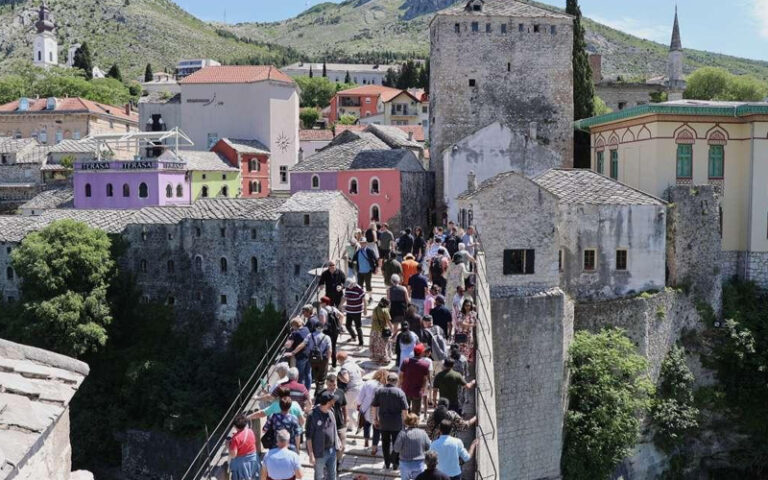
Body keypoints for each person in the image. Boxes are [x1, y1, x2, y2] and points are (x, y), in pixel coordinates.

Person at [372, 372, 409, 470]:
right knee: (397, 443)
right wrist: (406, 421)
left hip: (383, 422)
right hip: (396, 422)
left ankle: (387, 463)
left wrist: (375, 419)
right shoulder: (400, 392)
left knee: (385, 443)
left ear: (387, 380)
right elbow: (405, 410)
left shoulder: (379, 391)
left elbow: (375, 406)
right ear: (396, 381)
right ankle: (395, 464)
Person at [306, 391, 339, 480]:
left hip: (332, 451)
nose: (334, 403)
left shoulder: (331, 411)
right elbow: (308, 437)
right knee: (319, 477)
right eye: (332, 401)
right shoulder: (312, 415)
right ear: (328, 403)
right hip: (319, 453)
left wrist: (337, 444)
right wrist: (311, 454)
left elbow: (334, 429)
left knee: (332, 476)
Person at [315, 373, 347, 461]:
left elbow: (344, 407)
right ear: (326, 384)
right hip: (326, 425)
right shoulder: (321, 394)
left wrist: (345, 420)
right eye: (330, 385)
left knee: (342, 446)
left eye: (334, 385)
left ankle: (338, 461)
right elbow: (316, 409)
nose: (332, 387)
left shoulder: (340, 392)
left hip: (339, 424)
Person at [357, 368, 388, 454]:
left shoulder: (368, 383)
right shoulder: (385, 386)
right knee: (377, 429)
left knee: (366, 425)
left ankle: (366, 440)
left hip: (366, 408)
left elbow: (360, 397)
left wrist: (359, 404)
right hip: (379, 410)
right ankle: (374, 448)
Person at [393, 413, 432, 480]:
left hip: (405, 463)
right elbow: (429, 446)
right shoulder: (423, 432)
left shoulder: (402, 434)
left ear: (406, 422)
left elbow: (396, 449)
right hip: (419, 463)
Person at [399, 343, 431, 416]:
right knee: (416, 413)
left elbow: (401, 375)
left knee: (405, 410)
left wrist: (400, 384)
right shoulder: (425, 365)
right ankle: (413, 425)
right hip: (417, 391)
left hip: (406, 389)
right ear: (422, 352)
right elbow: (425, 379)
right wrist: (423, 388)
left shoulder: (406, 361)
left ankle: (404, 424)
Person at [337, 351, 364, 430]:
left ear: (339, 360)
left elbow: (346, 379)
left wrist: (339, 376)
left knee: (349, 408)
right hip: (360, 387)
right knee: (354, 408)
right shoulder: (353, 364)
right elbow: (363, 372)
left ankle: (359, 424)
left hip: (352, 389)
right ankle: (350, 426)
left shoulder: (344, 367)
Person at [229, 414, 260, 480]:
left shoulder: (235, 438)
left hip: (242, 465)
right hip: (253, 460)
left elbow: (233, 455)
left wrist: (228, 444)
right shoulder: (250, 431)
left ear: (235, 426)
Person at [284, 318, 312, 390]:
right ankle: (307, 391)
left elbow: (288, 345)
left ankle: (300, 392)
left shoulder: (295, 333)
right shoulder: (306, 329)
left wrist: (290, 337)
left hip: (300, 356)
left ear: (294, 325)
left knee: (300, 376)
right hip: (309, 354)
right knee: (308, 374)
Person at [318, 296, 344, 369]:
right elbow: (342, 316)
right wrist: (339, 326)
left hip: (326, 332)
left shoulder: (322, 311)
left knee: (324, 348)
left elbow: (322, 322)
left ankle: (324, 364)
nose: (320, 303)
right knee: (333, 347)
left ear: (324, 303)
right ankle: (334, 365)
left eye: (321, 302)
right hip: (335, 331)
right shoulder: (333, 308)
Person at [342, 277, 366, 346]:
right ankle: (353, 337)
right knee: (347, 325)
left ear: (352, 283)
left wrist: (365, 309)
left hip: (357, 311)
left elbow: (364, 299)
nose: (348, 287)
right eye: (347, 286)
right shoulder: (347, 288)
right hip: (349, 310)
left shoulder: (359, 289)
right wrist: (340, 305)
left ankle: (361, 343)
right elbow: (345, 297)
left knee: (358, 327)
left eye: (349, 286)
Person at [370, 298, 394, 364]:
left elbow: (372, 319)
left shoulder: (375, 309)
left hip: (374, 330)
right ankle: (385, 359)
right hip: (382, 330)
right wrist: (392, 330)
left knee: (375, 344)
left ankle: (376, 358)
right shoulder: (385, 310)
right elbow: (389, 321)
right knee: (383, 345)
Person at [454, 299, 476, 363]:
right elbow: (460, 323)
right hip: (461, 335)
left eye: (469, 305)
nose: (467, 307)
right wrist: (470, 325)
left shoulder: (473, 314)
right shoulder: (460, 313)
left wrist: (466, 325)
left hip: (469, 336)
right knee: (461, 352)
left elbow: (475, 324)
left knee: (468, 351)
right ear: (463, 306)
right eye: (466, 305)